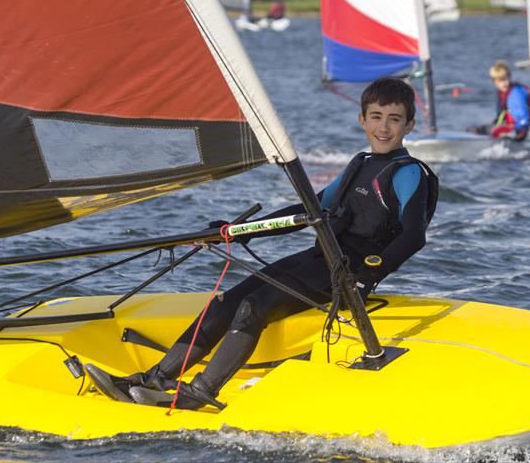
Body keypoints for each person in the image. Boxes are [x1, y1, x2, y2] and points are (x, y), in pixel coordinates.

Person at [85, 77, 439, 409]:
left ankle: (199, 393)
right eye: (376, 117)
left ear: (408, 126)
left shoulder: (407, 172)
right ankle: (154, 379)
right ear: (362, 119)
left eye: (395, 119)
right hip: (322, 259)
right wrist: (241, 231)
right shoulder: (360, 163)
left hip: (347, 273)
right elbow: (308, 210)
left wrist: (366, 277)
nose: (384, 127)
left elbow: (413, 235)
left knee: (253, 307)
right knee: (228, 301)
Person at [466, 60, 530, 142]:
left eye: (506, 78)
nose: (505, 83)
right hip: (506, 127)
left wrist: (518, 133)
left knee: (494, 131)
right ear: (495, 82)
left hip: (517, 131)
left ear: (510, 76)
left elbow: (523, 119)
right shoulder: (502, 92)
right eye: (501, 80)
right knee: (472, 130)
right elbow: (501, 115)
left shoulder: (516, 93)